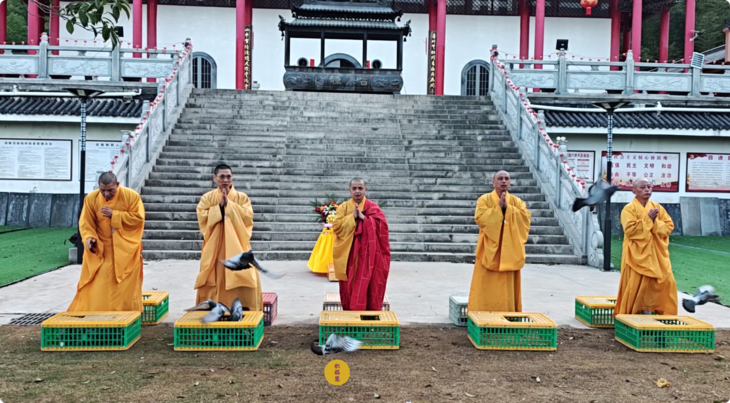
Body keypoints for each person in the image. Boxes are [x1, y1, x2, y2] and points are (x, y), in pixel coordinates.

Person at [68, 172, 145, 312]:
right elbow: (86, 223)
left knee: (124, 285)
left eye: (110, 190)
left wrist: (114, 215)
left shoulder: (131, 196)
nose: (106, 194)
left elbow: (138, 219)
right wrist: (89, 238)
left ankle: (125, 317)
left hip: (125, 249)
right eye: (102, 190)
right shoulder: (91, 199)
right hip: (101, 249)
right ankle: (96, 315)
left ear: (117, 185)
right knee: (99, 284)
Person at [194, 164, 262, 311]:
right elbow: (202, 216)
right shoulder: (207, 198)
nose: (225, 180)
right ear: (214, 178)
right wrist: (219, 207)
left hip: (237, 244)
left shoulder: (242, 198)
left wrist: (229, 205)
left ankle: (245, 305)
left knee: (243, 273)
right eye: (222, 177)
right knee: (215, 275)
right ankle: (214, 306)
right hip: (215, 247)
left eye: (228, 176)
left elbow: (248, 217)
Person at [467, 170, 532, 312]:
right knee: (485, 283)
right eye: (500, 178)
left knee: (507, 287)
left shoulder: (516, 201)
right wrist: (498, 210)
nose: (504, 181)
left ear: (510, 182)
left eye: (506, 178)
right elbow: (480, 218)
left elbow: (525, 219)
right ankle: (482, 311)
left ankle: (508, 312)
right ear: (493, 182)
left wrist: (508, 209)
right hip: (489, 249)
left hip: (509, 250)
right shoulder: (484, 200)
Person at [614, 178, 677, 316]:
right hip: (636, 255)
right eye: (642, 187)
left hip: (656, 254)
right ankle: (633, 315)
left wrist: (654, 222)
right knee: (637, 285)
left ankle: (657, 313)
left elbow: (669, 226)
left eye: (649, 187)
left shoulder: (657, 207)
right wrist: (648, 220)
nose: (647, 190)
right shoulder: (628, 209)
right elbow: (630, 231)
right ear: (634, 191)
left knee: (666, 282)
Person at [332, 178, 390, 311]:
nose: (357, 191)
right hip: (349, 253)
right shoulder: (343, 207)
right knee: (350, 284)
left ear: (365, 190)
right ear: (350, 190)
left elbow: (383, 228)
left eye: (360, 188)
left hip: (369, 255)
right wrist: (352, 217)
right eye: (354, 188)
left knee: (369, 283)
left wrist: (365, 218)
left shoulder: (373, 207)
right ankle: (350, 312)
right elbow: (336, 227)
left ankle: (369, 313)